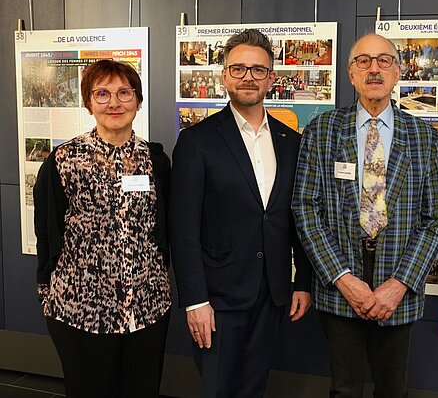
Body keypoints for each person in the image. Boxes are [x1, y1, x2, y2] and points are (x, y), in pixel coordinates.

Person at [292, 33, 438, 398]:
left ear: (398, 71)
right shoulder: (322, 131)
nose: (374, 69)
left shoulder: (427, 138)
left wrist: (398, 286)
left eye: (384, 61)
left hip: (398, 289)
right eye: (364, 61)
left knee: (393, 389)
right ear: (351, 74)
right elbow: (306, 208)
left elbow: (434, 219)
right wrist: (344, 279)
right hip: (339, 288)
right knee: (344, 388)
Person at [170, 29, 312, 397]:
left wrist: (302, 283)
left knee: (254, 389)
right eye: (238, 68)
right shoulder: (197, 141)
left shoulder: (290, 141)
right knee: (218, 390)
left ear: (272, 78)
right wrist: (195, 301)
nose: (248, 76)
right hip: (217, 300)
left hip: (272, 295)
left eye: (258, 69)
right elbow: (183, 230)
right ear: (224, 76)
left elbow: (297, 217)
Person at [33, 59, 172, 398]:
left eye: (125, 92)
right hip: (80, 309)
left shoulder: (155, 161)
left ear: (138, 101)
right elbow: (46, 231)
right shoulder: (63, 160)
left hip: (147, 307)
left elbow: (164, 227)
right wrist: (46, 289)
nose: (114, 102)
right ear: (88, 102)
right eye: (103, 93)